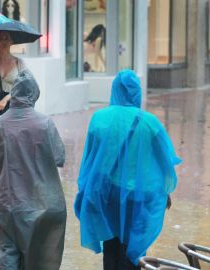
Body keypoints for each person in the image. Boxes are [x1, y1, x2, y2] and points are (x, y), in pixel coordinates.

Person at [74, 69, 182, 270]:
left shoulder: (99, 118)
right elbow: (164, 160)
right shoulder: (150, 122)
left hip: (108, 193)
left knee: (111, 244)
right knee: (135, 247)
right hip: (139, 196)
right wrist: (165, 191)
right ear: (137, 92)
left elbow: (90, 158)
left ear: (114, 90)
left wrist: (84, 189)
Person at [0, 70, 66, 270]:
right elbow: (60, 158)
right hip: (42, 207)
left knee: (7, 258)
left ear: (14, 94)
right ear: (34, 94)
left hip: (6, 206)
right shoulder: (45, 124)